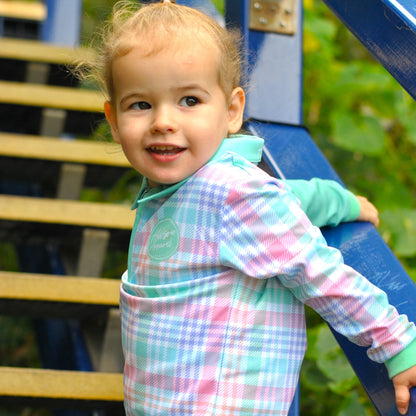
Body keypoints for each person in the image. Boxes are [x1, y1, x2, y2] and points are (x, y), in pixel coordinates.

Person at [88, 1, 416, 414]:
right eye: (140, 104)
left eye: (189, 100)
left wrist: (396, 342)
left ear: (231, 111)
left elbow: (319, 271)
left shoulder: (233, 192)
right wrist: (335, 200)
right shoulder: (174, 188)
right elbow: (283, 199)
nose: (163, 122)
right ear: (114, 120)